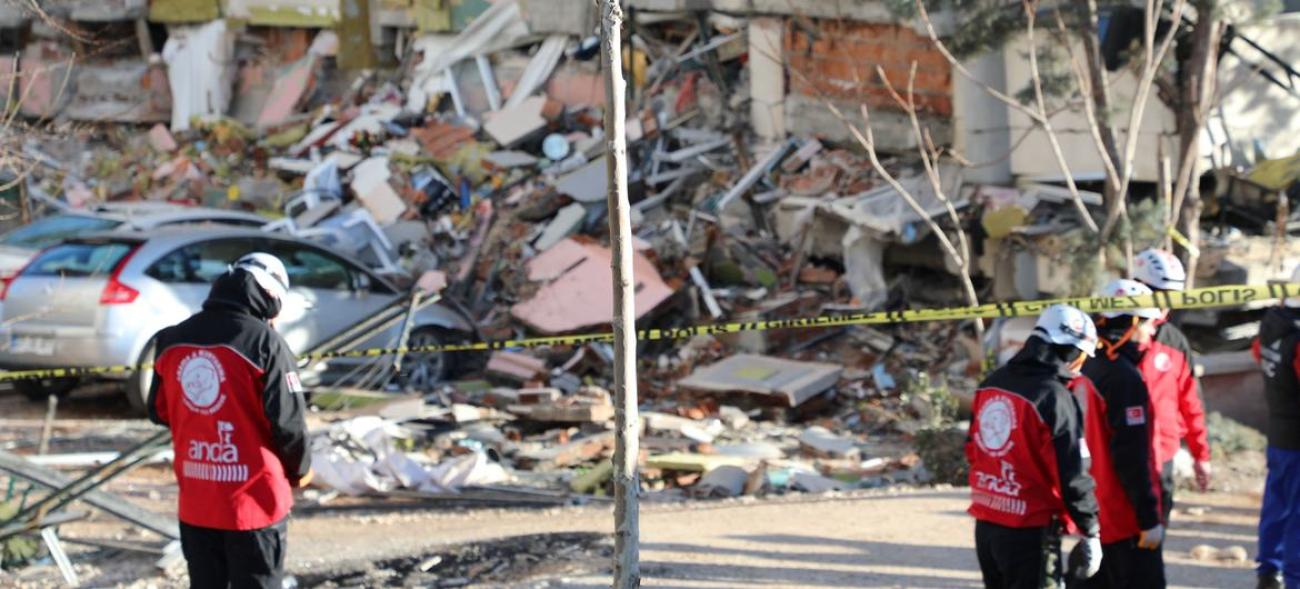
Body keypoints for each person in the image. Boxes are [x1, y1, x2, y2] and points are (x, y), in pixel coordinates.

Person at [147, 253, 312, 589]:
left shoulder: (171, 340)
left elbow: (159, 411)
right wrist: (301, 469)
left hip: (198, 501)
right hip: (255, 503)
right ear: (271, 298)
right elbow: (289, 424)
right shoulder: (266, 343)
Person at [968, 304, 1104, 588]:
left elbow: (973, 449)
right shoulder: (1054, 398)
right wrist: (1090, 528)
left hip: (987, 525)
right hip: (1030, 530)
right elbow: (1072, 471)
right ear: (1071, 351)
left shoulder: (991, 384)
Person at [1074, 279, 1167, 589]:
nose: (1152, 332)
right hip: (1124, 518)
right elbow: (1130, 456)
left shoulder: (1089, 365)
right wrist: (1148, 519)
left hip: (1097, 509)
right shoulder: (1123, 378)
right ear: (1133, 323)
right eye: (1149, 323)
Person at [1131, 248, 1212, 515]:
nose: (1164, 304)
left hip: (1162, 454)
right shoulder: (1105, 337)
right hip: (1116, 454)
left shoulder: (1174, 341)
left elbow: (1191, 402)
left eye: (1170, 297)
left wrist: (1201, 455)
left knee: (1155, 536)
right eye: (1158, 294)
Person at [1250, 264, 1300, 589]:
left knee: (1277, 503)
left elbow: (1259, 354)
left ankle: (1268, 569)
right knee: (1296, 515)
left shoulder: (1272, 325)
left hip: (1280, 431)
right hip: (1296, 437)